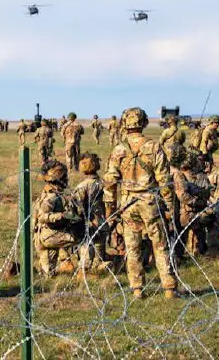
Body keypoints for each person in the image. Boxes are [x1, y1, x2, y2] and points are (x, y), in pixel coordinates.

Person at [104, 107, 179, 300]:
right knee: (160, 244)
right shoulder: (153, 146)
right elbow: (164, 179)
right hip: (150, 202)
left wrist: (109, 207)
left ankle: (137, 288)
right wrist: (169, 204)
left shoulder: (119, 149)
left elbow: (110, 180)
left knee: (133, 247)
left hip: (128, 203)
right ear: (144, 123)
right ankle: (169, 287)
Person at [33, 160, 80, 277]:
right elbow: (42, 217)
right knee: (80, 236)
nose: (66, 180)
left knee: (48, 274)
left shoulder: (53, 193)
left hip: (47, 235)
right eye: (64, 178)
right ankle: (86, 267)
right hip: (49, 235)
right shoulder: (51, 197)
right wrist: (62, 216)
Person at [70, 152, 110, 273]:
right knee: (99, 253)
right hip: (102, 223)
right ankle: (100, 266)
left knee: (87, 261)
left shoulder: (83, 186)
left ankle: (92, 269)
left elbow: (77, 207)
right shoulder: (102, 182)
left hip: (89, 224)